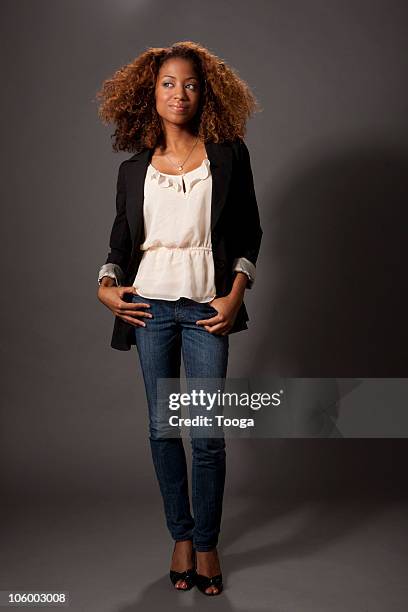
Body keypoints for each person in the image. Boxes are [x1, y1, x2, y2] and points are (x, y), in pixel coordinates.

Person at [96, 41, 263, 596]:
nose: (179, 93)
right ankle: (181, 537)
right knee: (163, 430)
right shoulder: (133, 169)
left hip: (205, 310)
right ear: (151, 92)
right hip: (149, 310)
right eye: (168, 83)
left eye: (189, 83)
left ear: (205, 91)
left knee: (208, 435)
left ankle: (209, 542)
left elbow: (249, 233)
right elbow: (120, 242)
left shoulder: (230, 154)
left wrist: (235, 293)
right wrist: (105, 286)